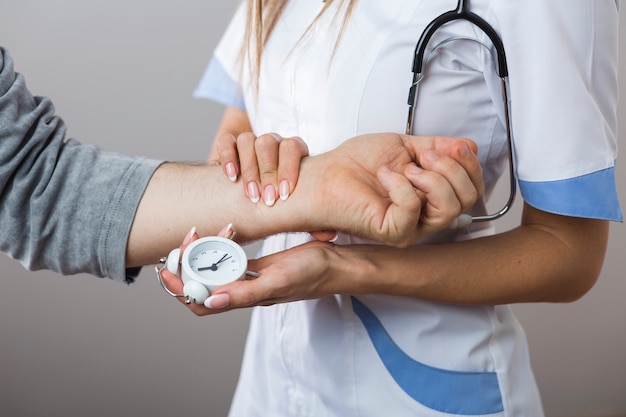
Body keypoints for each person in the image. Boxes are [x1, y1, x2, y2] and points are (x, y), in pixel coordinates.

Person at [177, 1, 623, 416]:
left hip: (423, 390)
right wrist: (245, 163)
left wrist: (344, 267)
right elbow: (241, 124)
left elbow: (571, 253)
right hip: (270, 387)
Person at [0, 46, 482, 283]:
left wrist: (346, 266)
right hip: (276, 373)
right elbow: (32, 188)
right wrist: (309, 188)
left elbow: (33, 181)